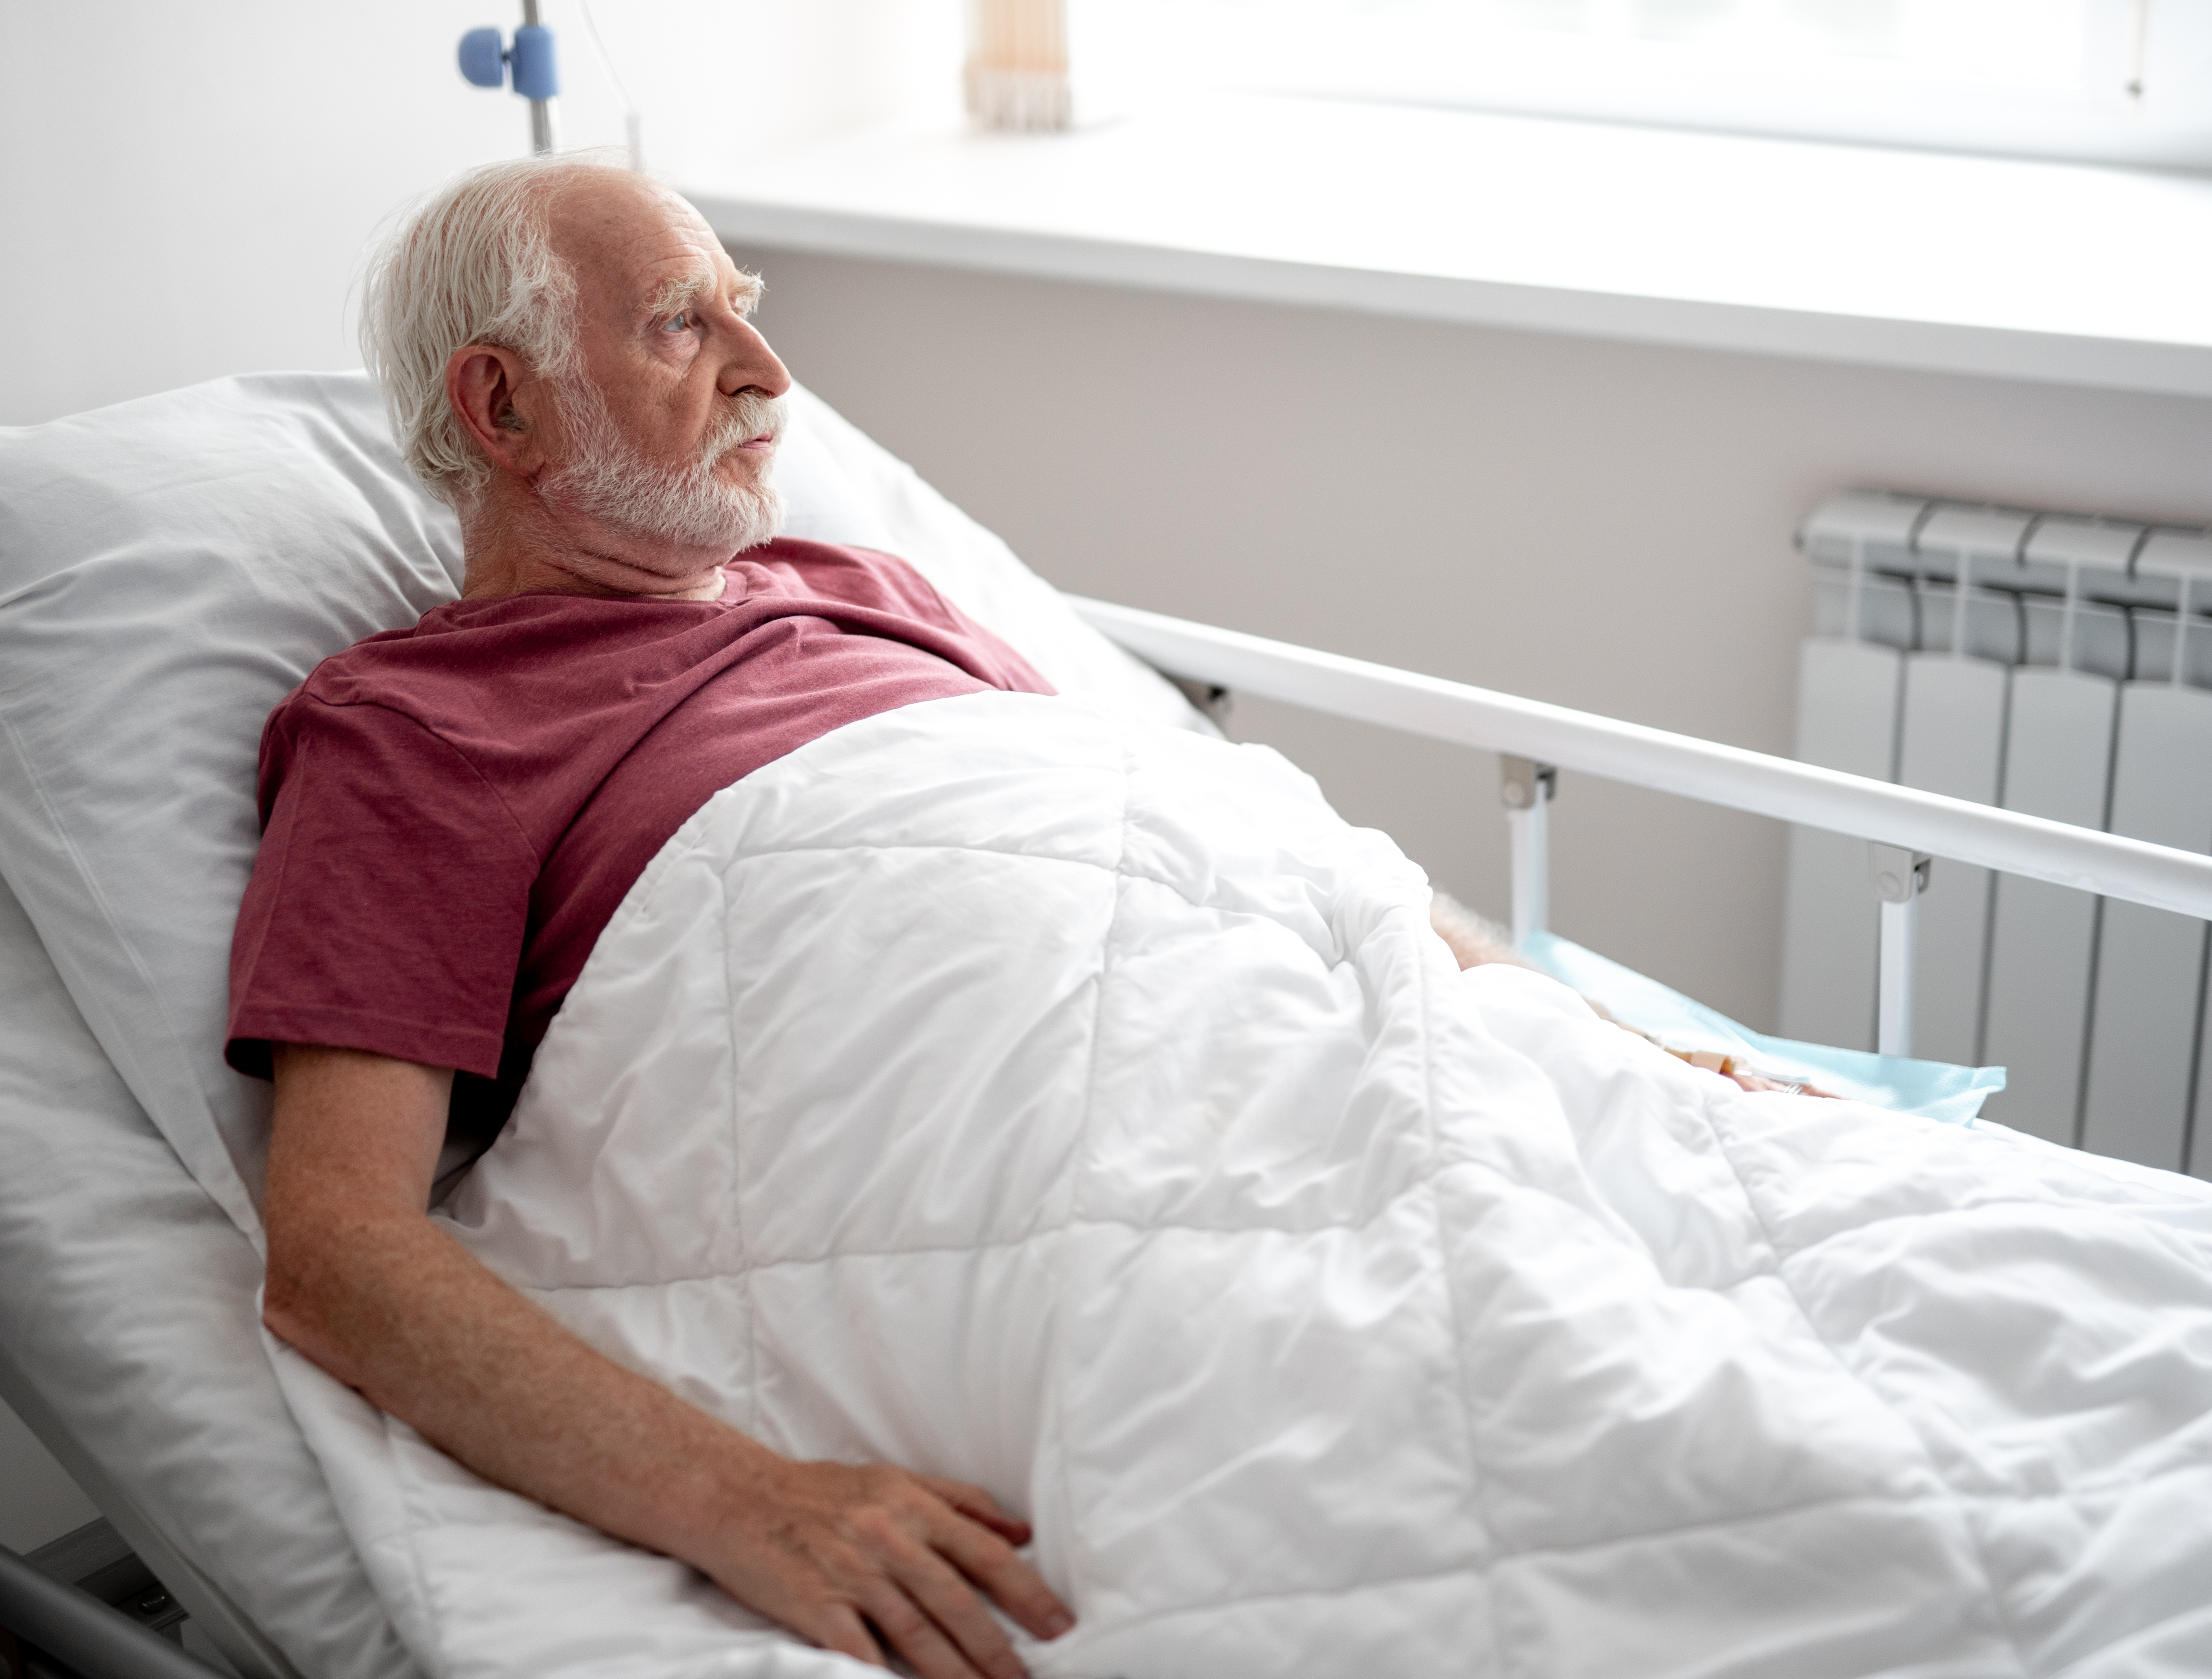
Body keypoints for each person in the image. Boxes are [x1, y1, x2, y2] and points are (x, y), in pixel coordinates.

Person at [235, 153, 1802, 1679]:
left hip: (1302, 1058)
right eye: (679, 325)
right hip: (1001, 1152)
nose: (767, 371)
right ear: (503, 407)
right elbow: (337, 1249)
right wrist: (749, 1501)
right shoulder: (413, 731)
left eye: (745, 308)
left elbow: (1179, 841)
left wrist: (1597, 1032)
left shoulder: (866, 583)